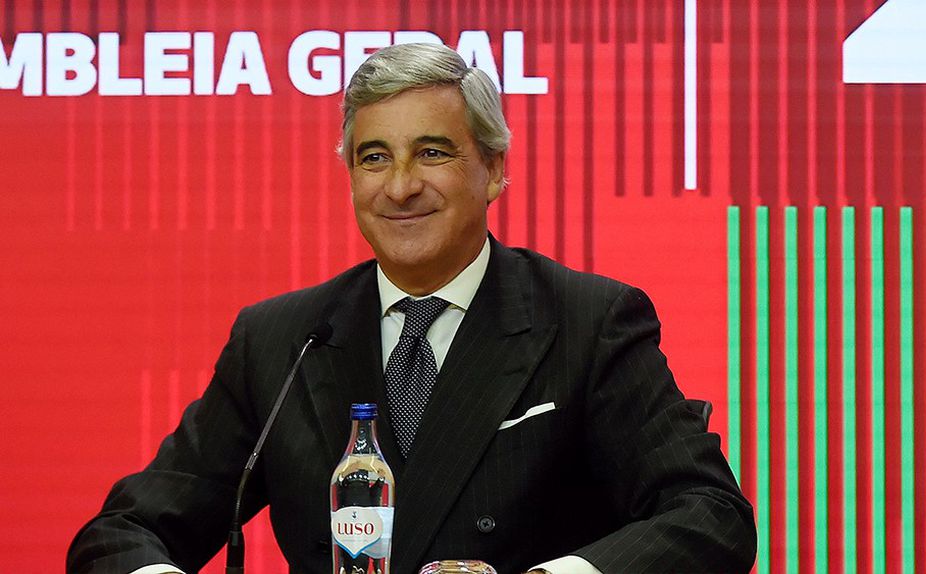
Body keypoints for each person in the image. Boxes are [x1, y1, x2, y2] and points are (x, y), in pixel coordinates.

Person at [67, 42, 755, 574]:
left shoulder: (589, 321)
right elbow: (123, 533)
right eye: (374, 157)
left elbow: (710, 514)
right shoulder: (280, 338)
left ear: (494, 169)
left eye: (431, 152)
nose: (399, 187)